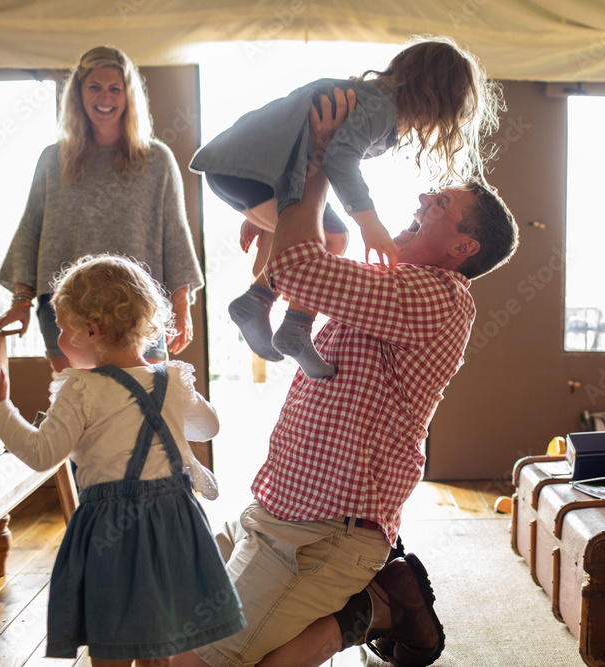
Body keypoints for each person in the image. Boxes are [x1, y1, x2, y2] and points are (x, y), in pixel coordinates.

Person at [171, 88, 518, 667]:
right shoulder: (388, 283)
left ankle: (372, 608)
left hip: (321, 537)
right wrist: (272, 229)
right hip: (273, 512)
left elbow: (302, 267)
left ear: (463, 246)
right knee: (166, 636)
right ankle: (376, 606)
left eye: (441, 203)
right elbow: (302, 264)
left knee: (194, 663)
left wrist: (320, 160)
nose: (426, 195)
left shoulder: (438, 297)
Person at [0, 254, 245, 666]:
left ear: (91, 330)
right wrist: (169, 387)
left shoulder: (79, 388)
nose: (60, 339)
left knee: (112, 641)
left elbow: (42, 454)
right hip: (175, 523)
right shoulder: (171, 380)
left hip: (111, 530)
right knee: (164, 639)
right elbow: (208, 428)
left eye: (63, 329)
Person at [190, 35, 501, 379]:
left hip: (246, 170)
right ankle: (280, 317)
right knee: (333, 236)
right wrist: (369, 222)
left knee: (329, 235)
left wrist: (267, 215)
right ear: (434, 101)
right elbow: (338, 157)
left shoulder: (371, 102)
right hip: (250, 172)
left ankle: (269, 308)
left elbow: (298, 144)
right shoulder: (379, 108)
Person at [0, 45, 204, 372]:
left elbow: (175, 233)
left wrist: (180, 306)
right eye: (95, 87)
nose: (105, 97)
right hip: (68, 308)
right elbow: (31, 230)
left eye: (115, 88)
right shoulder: (53, 160)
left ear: (128, 95)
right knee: (79, 408)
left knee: (145, 407)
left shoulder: (156, 160)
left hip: (138, 306)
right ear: (78, 94)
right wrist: (20, 301)